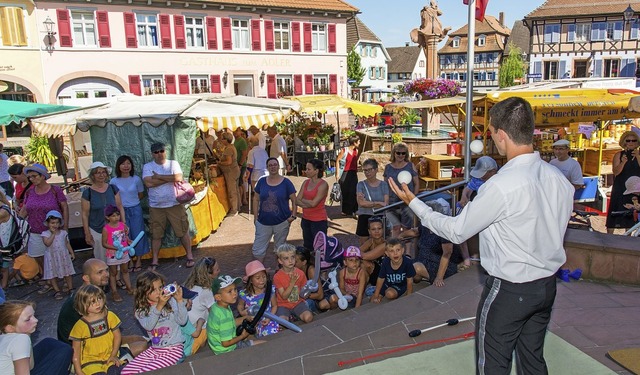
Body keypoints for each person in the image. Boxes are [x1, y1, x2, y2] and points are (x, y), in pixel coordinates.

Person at [389, 96, 574, 373]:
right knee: (533, 360)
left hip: (510, 290)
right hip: (546, 287)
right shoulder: (558, 178)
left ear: (500, 135)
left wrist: (414, 203)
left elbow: (455, 230)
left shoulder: (500, 186)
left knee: (493, 366)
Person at [57, 258, 148, 356]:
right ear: (86, 278)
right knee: (142, 346)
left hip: (97, 338)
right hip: (86, 351)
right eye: (100, 272)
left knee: (139, 338)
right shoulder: (83, 300)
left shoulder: (89, 293)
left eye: (106, 270)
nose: (106, 274)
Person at [121, 271, 187, 374]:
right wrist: (159, 306)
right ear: (143, 292)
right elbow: (149, 326)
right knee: (126, 371)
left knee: (145, 372)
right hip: (155, 349)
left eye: (160, 288)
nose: (158, 292)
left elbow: (182, 321)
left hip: (174, 349)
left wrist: (179, 301)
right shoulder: (141, 311)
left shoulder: (170, 302)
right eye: (153, 290)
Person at [142, 142, 194, 269]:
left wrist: (159, 177)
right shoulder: (147, 166)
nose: (159, 154)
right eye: (156, 152)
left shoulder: (173, 163)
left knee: (182, 231)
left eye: (161, 151)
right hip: (156, 206)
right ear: (152, 154)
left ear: (165, 151)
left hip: (174, 204)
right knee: (156, 234)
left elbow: (179, 177)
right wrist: (169, 178)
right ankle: (155, 260)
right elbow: (148, 183)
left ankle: (190, 256)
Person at [20, 163, 68, 294]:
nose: (32, 179)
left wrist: (66, 227)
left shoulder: (55, 190)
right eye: (29, 177)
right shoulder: (30, 192)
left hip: (54, 231)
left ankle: (64, 279)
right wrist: (18, 222)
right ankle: (49, 280)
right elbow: (25, 209)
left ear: (43, 176)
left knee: (60, 255)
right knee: (39, 257)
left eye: (34, 176)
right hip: (35, 230)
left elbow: (64, 207)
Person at [0, 300, 73, 375]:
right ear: (10, 328)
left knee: (49, 343)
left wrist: (27, 335)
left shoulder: (4, 336)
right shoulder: (20, 339)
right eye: (28, 319)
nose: (36, 320)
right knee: (64, 351)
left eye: (34, 316)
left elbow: (30, 366)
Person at [400, 201, 463, 287]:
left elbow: (447, 253)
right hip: (424, 260)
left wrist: (439, 277)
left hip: (441, 266)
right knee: (405, 265)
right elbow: (415, 232)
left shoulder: (443, 229)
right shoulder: (427, 225)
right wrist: (400, 236)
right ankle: (416, 278)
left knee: (414, 268)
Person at [69, 284, 125, 375]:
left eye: (99, 298)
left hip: (109, 357)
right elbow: (76, 350)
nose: (97, 303)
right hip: (90, 362)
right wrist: (79, 371)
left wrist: (114, 354)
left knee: (117, 371)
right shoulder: (80, 326)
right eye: (92, 301)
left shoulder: (109, 316)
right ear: (83, 305)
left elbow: (117, 336)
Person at [252, 158, 297, 263]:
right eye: (270, 165)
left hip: (281, 222)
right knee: (258, 250)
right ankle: (260, 272)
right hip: (263, 222)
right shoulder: (262, 182)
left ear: (278, 166)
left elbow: (294, 200)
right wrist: (255, 217)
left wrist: (292, 216)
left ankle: (279, 271)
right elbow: (256, 199)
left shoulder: (286, 182)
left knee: (280, 249)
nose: (273, 167)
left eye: (275, 165)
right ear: (267, 167)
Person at [207, 274, 265, 354]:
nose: (234, 293)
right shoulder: (224, 316)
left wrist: (245, 318)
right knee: (264, 343)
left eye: (235, 289)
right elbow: (226, 343)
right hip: (227, 349)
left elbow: (231, 322)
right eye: (229, 291)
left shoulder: (217, 307)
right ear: (218, 297)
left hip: (217, 346)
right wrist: (242, 336)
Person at [110, 155, 149, 272]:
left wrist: (132, 202)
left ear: (131, 165)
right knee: (124, 236)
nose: (126, 166)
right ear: (118, 166)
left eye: (128, 163)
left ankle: (138, 260)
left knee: (138, 234)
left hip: (135, 209)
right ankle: (129, 260)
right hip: (120, 211)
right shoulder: (114, 181)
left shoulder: (136, 179)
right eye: (123, 164)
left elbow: (141, 194)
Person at [81, 161, 125, 263]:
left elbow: (120, 207)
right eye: (97, 173)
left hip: (114, 229)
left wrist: (123, 224)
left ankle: (116, 278)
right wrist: (87, 233)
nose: (101, 175)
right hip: (97, 229)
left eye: (103, 172)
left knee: (117, 257)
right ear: (93, 175)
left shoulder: (113, 188)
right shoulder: (87, 193)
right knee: (101, 258)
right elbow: (84, 214)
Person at [383, 142, 419, 238]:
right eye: (398, 153)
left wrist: (413, 199)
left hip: (407, 203)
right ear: (394, 153)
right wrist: (385, 200)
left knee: (407, 229)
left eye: (403, 153)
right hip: (392, 203)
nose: (401, 155)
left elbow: (416, 183)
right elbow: (385, 185)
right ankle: (394, 249)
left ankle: (407, 252)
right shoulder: (388, 167)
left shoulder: (410, 166)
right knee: (395, 227)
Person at [607, 131, 640, 233]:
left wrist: (638, 157)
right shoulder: (619, 155)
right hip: (621, 186)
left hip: (635, 188)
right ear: (624, 142)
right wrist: (623, 162)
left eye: (633, 140)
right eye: (628, 140)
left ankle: (628, 237)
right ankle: (609, 236)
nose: (631, 143)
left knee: (632, 213)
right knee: (615, 209)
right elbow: (616, 172)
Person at [183, 257, 218, 354]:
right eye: (217, 270)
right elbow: (214, 313)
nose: (219, 271)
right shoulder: (206, 291)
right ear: (209, 274)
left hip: (185, 327)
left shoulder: (188, 285)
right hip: (197, 328)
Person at [237, 260, 280, 337]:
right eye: (258, 278)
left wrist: (270, 317)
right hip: (251, 321)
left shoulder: (270, 290)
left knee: (270, 333)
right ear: (250, 281)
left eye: (264, 276)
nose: (262, 280)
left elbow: (274, 306)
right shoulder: (245, 294)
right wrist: (242, 312)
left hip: (267, 319)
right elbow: (240, 305)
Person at [273, 243, 313, 323]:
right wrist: (292, 283)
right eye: (286, 258)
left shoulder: (300, 273)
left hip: (298, 303)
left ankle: (295, 315)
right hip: (283, 305)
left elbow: (303, 291)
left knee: (308, 317)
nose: (290, 261)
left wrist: (307, 291)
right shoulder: (277, 276)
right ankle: (290, 317)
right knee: (283, 322)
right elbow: (284, 296)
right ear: (280, 261)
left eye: (292, 257)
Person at [102, 204, 134, 302]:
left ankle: (129, 287)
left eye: (117, 215)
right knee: (113, 272)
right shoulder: (106, 229)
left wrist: (128, 241)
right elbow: (104, 243)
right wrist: (115, 248)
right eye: (113, 216)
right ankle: (114, 292)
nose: (116, 218)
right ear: (108, 217)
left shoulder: (122, 225)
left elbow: (124, 237)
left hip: (124, 252)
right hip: (112, 254)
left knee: (125, 270)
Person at [41, 210, 75, 300]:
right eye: (52, 223)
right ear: (48, 223)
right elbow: (47, 243)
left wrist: (71, 252)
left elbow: (66, 243)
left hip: (63, 256)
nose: (55, 225)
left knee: (67, 272)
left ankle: (70, 288)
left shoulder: (63, 233)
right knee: (52, 274)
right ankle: (57, 290)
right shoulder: (45, 234)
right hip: (51, 257)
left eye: (57, 223)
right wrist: (53, 234)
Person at [296, 159, 329, 251]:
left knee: (319, 247)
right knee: (307, 245)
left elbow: (314, 203)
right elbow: (297, 200)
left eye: (308, 169)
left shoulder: (323, 185)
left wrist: (303, 201)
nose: (306, 171)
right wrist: (308, 203)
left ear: (316, 171)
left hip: (318, 221)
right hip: (306, 219)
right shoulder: (305, 182)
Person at [370, 238, 415, 303]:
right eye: (391, 251)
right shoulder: (385, 262)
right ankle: (380, 294)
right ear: (387, 253)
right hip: (387, 283)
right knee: (372, 299)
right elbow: (381, 278)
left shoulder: (407, 263)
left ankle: (385, 293)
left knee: (390, 294)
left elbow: (410, 280)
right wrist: (376, 295)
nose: (395, 253)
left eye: (398, 250)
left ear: (402, 251)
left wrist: (409, 295)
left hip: (401, 284)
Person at [355, 159, 389, 244]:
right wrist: (377, 203)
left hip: (380, 216)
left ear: (376, 170)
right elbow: (361, 203)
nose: (367, 173)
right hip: (364, 216)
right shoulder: (361, 184)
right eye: (365, 170)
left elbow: (385, 204)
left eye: (369, 170)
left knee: (380, 241)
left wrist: (369, 203)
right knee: (363, 242)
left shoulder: (383, 185)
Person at [218, 132, 241, 216]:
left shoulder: (228, 149)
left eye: (222, 138)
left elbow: (228, 162)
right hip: (235, 170)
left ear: (225, 140)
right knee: (235, 189)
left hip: (231, 171)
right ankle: (238, 206)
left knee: (232, 191)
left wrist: (220, 163)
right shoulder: (231, 147)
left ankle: (234, 210)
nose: (221, 140)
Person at [336, 136, 360, 216]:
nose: (359, 143)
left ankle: (355, 210)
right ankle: (345, 210)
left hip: (353, 173)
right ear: (354, 143)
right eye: (358, 141)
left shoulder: (356, 151)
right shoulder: (344, 151)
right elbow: (337, 160)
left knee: (354, 192)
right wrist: (337, 173)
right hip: (344, 173)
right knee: (345, 192)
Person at [360, 216, 387, 286]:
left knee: (363, 262)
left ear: (383, 229)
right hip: (376, 274)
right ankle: (359, 289)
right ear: (369, 231)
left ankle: (360, 290)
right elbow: (358, 251)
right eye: (373, 229)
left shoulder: (385, 244)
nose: (377, 231)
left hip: (386, 276)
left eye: (379, 228)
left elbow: (364, 256)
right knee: (358, 263)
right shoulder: (370, 241)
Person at [234, 128, 249, 207]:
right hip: (238, 165)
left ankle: (243, 199)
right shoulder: (235, 141)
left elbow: (244, 154)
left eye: (236, 131)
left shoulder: (242, 141)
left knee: (240, 183)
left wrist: (240, 165)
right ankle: (241, 199)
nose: (235, 132)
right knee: (240, 183)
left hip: (241, 165)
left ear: (240, 131)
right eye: (234, 131)